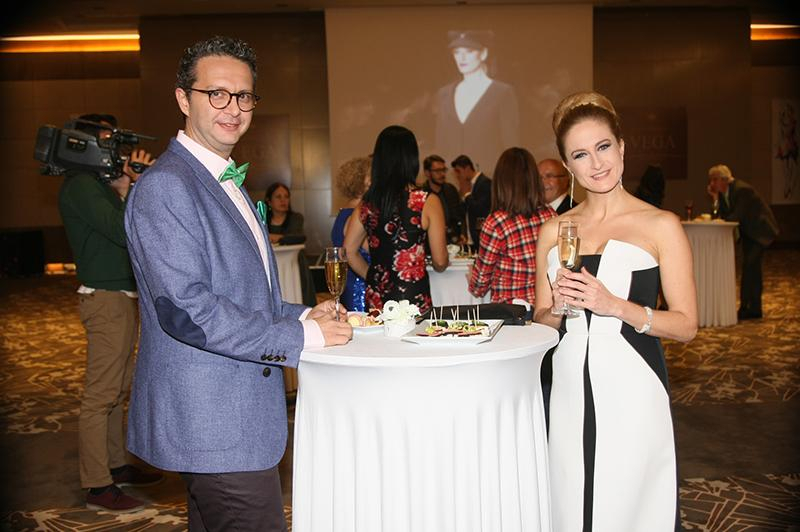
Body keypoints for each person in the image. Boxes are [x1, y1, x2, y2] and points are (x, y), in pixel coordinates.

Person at [124, 36, 352, 531]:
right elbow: (187, 310)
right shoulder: (167, 185)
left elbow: (244, 295)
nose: (233, 107)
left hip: (231, 415)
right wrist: (300, 337)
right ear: (184, 99)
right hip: (213, 418)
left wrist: (302, 314)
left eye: (244, 95)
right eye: (217, 93)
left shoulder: (224, 179)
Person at [533, 92, 698, 531]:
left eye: (603, 147)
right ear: (568, 166)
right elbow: (540, 322)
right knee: (569, 499)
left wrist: (615, 306)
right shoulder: (553, 230)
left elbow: (686, 326)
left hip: (633, 381)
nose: (597, 163)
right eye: (581, 154)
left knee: (631, 504)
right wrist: (557, 308)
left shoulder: (661, 225)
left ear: (622, 147)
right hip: (567, 383)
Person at [58, 113, 162, 512]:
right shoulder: (81, 185)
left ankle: (115, 465)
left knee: (117, 390)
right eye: (104, 140)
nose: (112, 150)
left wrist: (121, 187)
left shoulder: (95, 184)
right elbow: (122, 231)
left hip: (118, 296)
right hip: (105, 299)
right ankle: (98, 485)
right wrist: (132, 185)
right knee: (100, 395)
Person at [343, 125, 449, 314]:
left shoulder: (366, 204)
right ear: (412, 159)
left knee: (379, 334)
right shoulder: (426, 201)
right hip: (414, 299)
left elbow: (348, 251)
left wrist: (372, 276)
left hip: (378, 301)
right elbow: (440, 261)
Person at [468, 147, 556, 304]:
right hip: (545, 306)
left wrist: (471, 278)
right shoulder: (550, 214)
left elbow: (479, 286)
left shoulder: (497, 222)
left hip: (510, 311)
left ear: (500, 182)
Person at [435, 30, 519, 175]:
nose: (462, 58)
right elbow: (441, 143)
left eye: (469, 51)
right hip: (452, 178)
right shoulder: (445, 94)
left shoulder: (502, 93)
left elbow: (510, 143)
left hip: (489, 177)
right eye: (457, 52)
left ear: (483, 54)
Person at [707, 164, 778, 320]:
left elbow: (736, 216)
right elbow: (719, 215)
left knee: (750, 268)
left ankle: (749, 308)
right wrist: (715, 198)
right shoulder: (725, 193)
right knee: (751, 269)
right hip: (749, 233)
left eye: (714, 180)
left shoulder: (741, 190)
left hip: (760, 232)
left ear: (724, 179)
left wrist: (721, 218)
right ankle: (752, 308)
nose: (711, 184)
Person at [265, 181, 317, 307]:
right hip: (271, 264)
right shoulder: (263, 219)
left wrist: (278, 238)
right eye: (278, 197)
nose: (283, 200)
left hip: (295, 264)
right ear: (269, 201)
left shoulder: (296, 218)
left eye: (286, 197)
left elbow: (299, 237)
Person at [331, 155, 372, 312]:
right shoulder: (358, 214)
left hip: (349, 284)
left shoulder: (343, 212)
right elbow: (369, 249)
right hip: (360, 288)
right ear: (363, 183)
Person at [421, 154, 465, 244]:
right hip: (430, 242)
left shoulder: (451, 190)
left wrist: (462, 233)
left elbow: (460, 215)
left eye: (444, 170)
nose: (442, 174)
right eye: (437, 171)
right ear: (427, 173)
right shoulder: (421, 194)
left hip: (453, 241)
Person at [452, 154, 491, 248]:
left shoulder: (485, 183)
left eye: (458, 171)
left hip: (481, 238)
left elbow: (481, 210)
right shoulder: (468, 185)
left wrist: (467, 195)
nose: (457, 175)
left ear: (467, 168)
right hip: (469, 238)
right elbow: (464, 213)